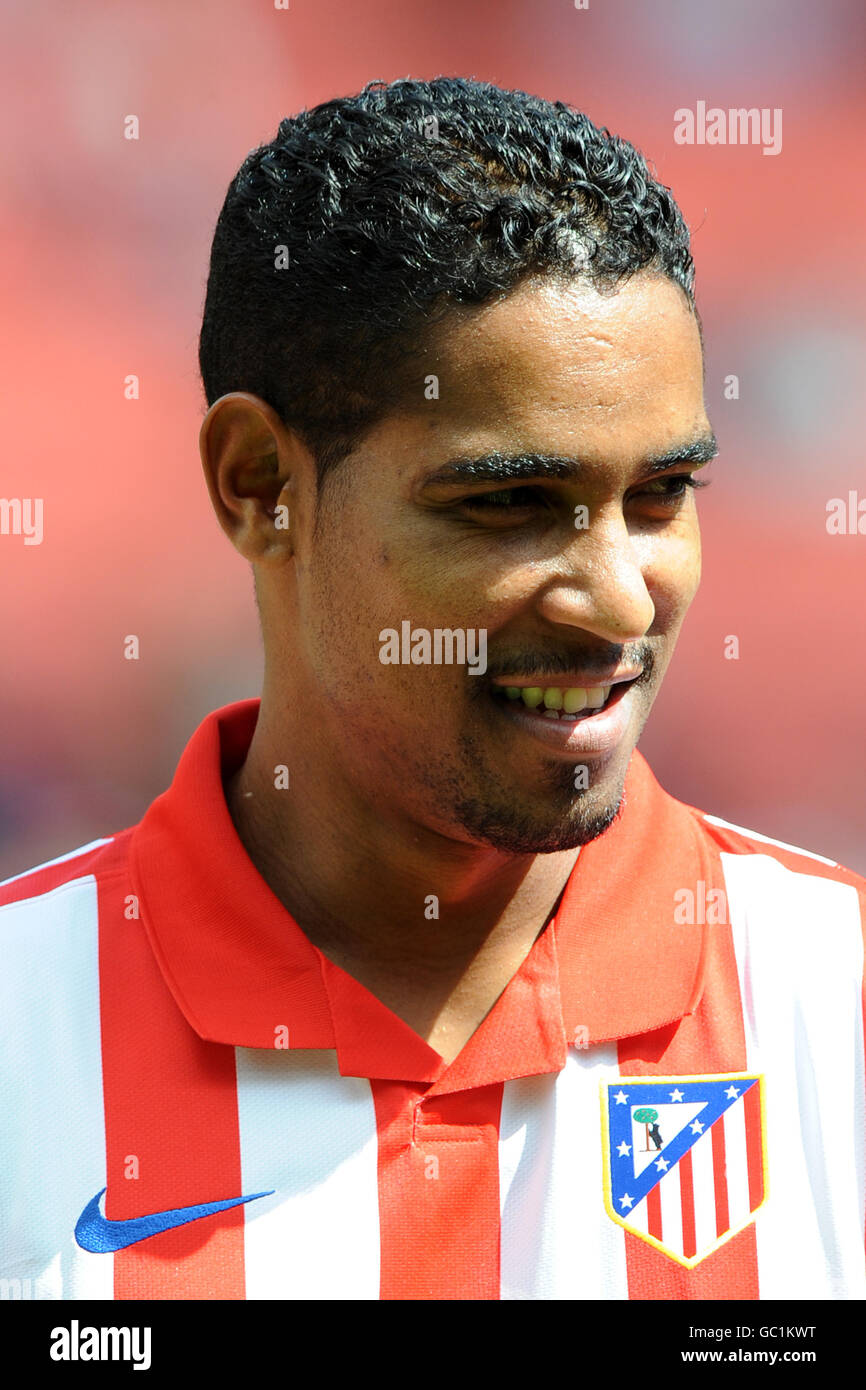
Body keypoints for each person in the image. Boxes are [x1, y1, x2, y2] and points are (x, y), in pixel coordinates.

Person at [1, 76, 864, 1302]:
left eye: (662, 495)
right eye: (507, 503)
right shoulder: (21, 1032)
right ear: (259, 485)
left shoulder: (838, 1003)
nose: (618, 602)